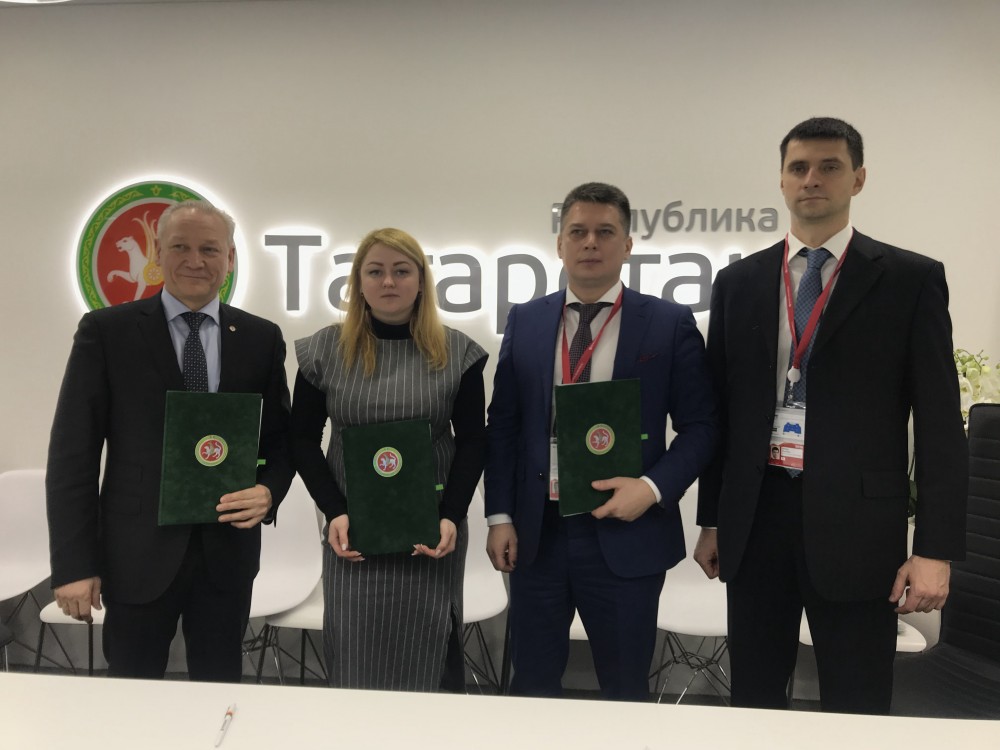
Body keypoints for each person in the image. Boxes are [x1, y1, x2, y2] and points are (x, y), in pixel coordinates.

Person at [695, 117, 968, 714]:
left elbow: (941, 425)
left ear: (858, 179)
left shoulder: (910, 280)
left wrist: (935, 549)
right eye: (798, 168)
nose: (811, 179)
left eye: (829, 167)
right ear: (782, 180)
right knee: (754, 698)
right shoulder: (739, 282)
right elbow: (722, 413)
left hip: (859, 531)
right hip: (756, 519)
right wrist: (712, 518)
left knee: (858, 699)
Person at [485, 182, 718, 700]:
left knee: (624, 688)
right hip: (538, 533)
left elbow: (702, 427)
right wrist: (499, 515)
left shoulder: (667, 323)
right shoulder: (525, 320)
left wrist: (652, 489)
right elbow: (503, 426)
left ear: (628, 245)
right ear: (560, 244)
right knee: (532, 684)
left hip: (627, 532)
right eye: (578, 232)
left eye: (605, 232)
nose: (590, 242)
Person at [46, 199, 294, 682]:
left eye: (210, 249)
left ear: (230, 258)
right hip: (136, 555)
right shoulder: (107, 332)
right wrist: (74, 564)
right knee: (132, 694)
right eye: (180, 247)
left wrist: (268, 491)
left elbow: (280, 441)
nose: (195, 261)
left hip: (227, 554)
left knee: (218, 689)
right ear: (158, 254)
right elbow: (73, 456)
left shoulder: (260, 338)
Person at [291, 227, 487, 692]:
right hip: (352, 533)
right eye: (375, 271)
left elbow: (474, 441)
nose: (388, 282)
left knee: (429, 655)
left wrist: (451, 515)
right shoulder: (323, 350)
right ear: (358, 283)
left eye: (402, 271)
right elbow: (301, 440)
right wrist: (334, 511)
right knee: (356, 654)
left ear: (421, 281)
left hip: (431, 532)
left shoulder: (458, 352)